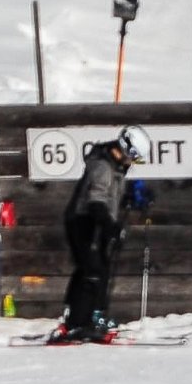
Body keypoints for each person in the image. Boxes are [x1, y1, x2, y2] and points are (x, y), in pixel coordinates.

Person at [55, 131, 140, 343]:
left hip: (93, 221)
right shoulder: (103, 166)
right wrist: (110, 226)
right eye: (133, 156)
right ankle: (79, 323)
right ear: (125, 150)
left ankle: (89, 318)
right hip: (84, 221)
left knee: (97, 269)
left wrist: (130, 197)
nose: (132, 162)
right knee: (92, 271)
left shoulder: (114, 166)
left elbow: (109, 196)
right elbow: (96, 201)